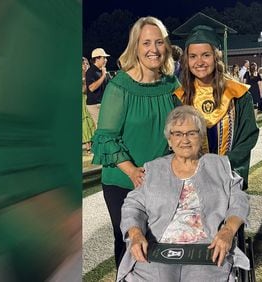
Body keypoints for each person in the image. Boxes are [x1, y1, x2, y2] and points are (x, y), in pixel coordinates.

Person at [117, 105, 250, 281]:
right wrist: (135, 234)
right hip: (157, 247)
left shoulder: (219, 165)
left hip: (207, 247)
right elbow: (133, 206)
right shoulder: (153, 168)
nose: (184, 140)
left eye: (191, 133)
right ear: (169, 140)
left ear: (201, 136)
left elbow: (239, 201)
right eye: (178, 134)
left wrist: (228, 231)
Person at [91, 16, 180, 269]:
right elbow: (105, 137)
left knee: (159, 246)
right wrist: (132, 171)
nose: (153, 49)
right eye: (146, 43)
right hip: (123, 181)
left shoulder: (171, 84)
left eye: (159, 42)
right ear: (136, 47)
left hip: (161, 180)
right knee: (131, 246)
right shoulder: (120, 86)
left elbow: (180, 127)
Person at [175, 25, 259, 190]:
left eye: (206, 55)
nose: (199, 62)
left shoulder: (238, 95)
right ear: (187, 60)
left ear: (216, 57)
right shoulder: (180, 97)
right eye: (193, 56)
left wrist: (222, 165)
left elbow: (247, 137)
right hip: (191, 182)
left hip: (228, 178)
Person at [85, 47, 110, 128]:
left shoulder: (101, 71)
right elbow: (91, 88)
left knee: (105, 126)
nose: (106, 60)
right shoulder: (91, 71)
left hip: (102, 103)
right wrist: (103, 75)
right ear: (97, 59)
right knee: (101, 127)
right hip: (94, 104)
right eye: (104, 58)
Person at [82, 57, 95, 155]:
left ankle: (94, 143)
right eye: (83, 64)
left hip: (92, 99)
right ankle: (88, 146)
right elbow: (84, 90)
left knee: (92, 121)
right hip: (83, 100)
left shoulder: (90, 75)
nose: (85, 66)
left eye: (87, 63)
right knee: (85, 122)